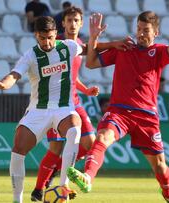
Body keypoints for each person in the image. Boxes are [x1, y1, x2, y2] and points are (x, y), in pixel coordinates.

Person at [67, 11, 169, 203]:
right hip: (119, 111)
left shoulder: (158, 51)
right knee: (102, 137)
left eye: (146, 30)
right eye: (139, 29)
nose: (141, 33)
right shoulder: (124, 48)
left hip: (146, 117)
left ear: (155, 32)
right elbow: (90, 63)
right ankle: (88, 178)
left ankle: (168, 195)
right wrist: (93, 37)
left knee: (160, 166)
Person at [30, 6, 134, 201]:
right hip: (56, 104)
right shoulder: (57, 44)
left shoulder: (77, 44)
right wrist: (114, 43)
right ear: (62, 23)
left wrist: (85, 90)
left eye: (76, 20)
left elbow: (72, 75)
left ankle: (61, 172)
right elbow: (89, 51)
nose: (72, 24)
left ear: (81, 23)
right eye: (69, 20)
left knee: (89, 144)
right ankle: (38, 189)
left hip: (74, 102)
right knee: (55, 148)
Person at [0, 16, 83, 203]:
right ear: (35, 35)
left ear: (56, 34)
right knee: (18, 150)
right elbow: (14, 75)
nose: (47, 42)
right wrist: (2, 85)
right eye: (42, 38)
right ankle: (17, 199)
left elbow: (89, 50)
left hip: (64, 108)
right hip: (39, 110)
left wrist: (111, 42)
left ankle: (63, 186)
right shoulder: (30, 55)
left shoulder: (68, 46)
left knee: (74, 129)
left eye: (50, 37)